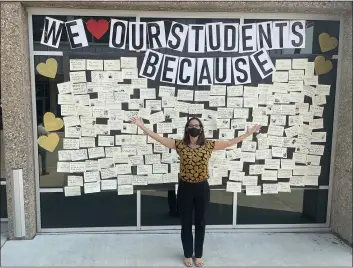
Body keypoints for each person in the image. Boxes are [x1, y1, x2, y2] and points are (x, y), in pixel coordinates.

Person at [130, 117, 261, 267]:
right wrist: (142, 126)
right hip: (185, 188)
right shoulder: (179, 145)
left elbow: (230, 142)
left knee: (200, 222)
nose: (194, 127)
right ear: (187, 128)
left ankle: (198, 255)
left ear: (201, 128)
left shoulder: (208, 145)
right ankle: (187, 254)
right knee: (185, 222)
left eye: (197, 125)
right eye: (191, 125)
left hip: (202, 188)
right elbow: (159, 138)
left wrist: (250, 132)